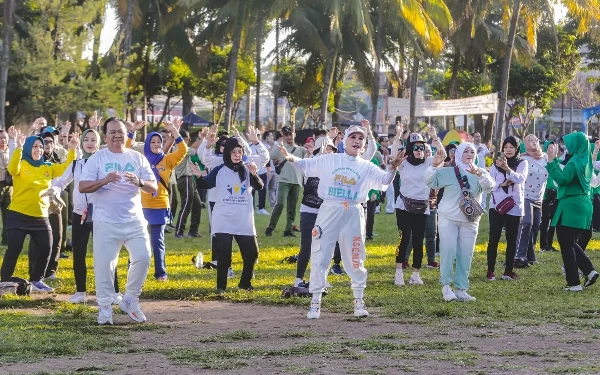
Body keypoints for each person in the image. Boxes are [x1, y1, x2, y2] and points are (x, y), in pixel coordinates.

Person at [281, 125, 402, 319]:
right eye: (352, 137)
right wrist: (290, 157)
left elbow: (385, 180)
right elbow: (305, 165)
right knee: (321, 254)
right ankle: (315, 302)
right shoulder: (330, 159)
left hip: (354, 211)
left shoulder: (367, 166)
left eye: (360, 138)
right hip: (329, 209)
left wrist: (392, 167)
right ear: (344, 141)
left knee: (355, 256)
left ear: (364, 145)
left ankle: (358, 302)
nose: (356, 141)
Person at [80, 118, 157, 325]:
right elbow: (83, 186)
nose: (117, 136)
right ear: (105, 137)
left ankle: (130, 299)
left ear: (127, 134)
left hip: (134, 220)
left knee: (143, 258)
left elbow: (153, 186)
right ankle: (105, 308)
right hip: (105, 221)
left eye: (120, 132)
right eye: (112, 132)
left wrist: (139, 182)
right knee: (105, 266)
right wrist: (104, 180)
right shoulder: (97, 158)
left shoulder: (137, 158)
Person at [0, 129, 76, 292]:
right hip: (18, 215)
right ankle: (5, 280)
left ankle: (37, 279)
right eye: (34, 146)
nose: (38, 149)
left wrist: (72, 150)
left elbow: (66, 169)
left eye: (40, 147)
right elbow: (12, 170)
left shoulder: (47, 167)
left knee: (46, 248)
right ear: (29, 148)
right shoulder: (21, 163)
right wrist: (19, 148)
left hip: (40, 216)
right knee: (14, 248)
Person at [192, 137, 263, 292]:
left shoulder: (247, 169)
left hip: (243, 219)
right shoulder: (220, 170)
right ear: (227, 153)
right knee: (224, 254)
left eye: (239, 151)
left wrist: (254, 174)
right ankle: (221, 287)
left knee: (252, 253)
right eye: (233, 152)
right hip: (223, 218)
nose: (237, 155)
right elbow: (205, 184)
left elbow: (259, 186)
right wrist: (198, 177)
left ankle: (245, 283)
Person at [425, 143, 494, 301]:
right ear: (459, 154)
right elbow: (430, 181)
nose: (469, 154)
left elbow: (490, 187)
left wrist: (479, 174)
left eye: (472, 151)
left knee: (466, 254)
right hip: (448, 217)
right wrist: (434, 166)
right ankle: (446, 287)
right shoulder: (449, 171)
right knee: (448, 250)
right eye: (466, 151)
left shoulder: (480, 171)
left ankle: (462, 289)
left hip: (470, 220)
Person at [546, 133, 599, 291]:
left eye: (569, 144)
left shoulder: (574, 162)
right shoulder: (587, 161)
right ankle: (589, 271)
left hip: (571, 204)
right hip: (583, 204)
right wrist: (555, 160)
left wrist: (550, 161)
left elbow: (562, 179)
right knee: (570, 241)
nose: (566, 147)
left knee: (566, 244)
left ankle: (574, 283)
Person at [394, 126, 445, 287]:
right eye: (415, 147)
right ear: (410, 148)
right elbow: (395, 152)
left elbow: (442, 155)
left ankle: (416, 274)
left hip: (422, 207)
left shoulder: (429, 163)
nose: (419, 150)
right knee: (404, 238)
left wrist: (435, 137)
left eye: (421, 147)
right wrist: (397, 135)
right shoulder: (403, 163)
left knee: (418, 240)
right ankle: (398, 273)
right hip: (403, 206)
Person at [141, 121, 187, 281]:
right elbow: (124, 150)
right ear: (147, 143)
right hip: (140, 207)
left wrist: (174, 131)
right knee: (138, 241)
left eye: (159, 141)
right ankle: (134, 269)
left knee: (157, 241)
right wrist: (132, 132)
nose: (155, 144)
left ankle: (161, 273)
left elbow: (183, 150)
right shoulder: (140, 159)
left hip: (160, 205)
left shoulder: (167, 160)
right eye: (152, 142)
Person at [486, 136, 528, 281]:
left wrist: (507, 169)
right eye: (506, 147)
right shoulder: (494, 165)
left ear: (517, 149)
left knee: (512, 239)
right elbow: (490, 184)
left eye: (512, 147)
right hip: (497, 206)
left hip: (515, 206)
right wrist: (501, 184)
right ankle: (490, 271)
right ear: (502, 149)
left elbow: (520, 179)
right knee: (494, 238)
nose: (508, 150)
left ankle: (508, 271)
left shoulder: (523, 163)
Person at [514, 134, 548, 268]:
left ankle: (530, 255)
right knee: (527, 223)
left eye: (535, 140)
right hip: (524, 195)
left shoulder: (546, 157)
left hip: (539, 197)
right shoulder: (523, 159)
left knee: (535, 226)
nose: (534, 143)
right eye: (530, 141)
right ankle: (519, 255)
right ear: (525, 144)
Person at [265, 126, 305, 237]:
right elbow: (271, 157)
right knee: (280, 204)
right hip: (283, 180)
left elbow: (308, 160)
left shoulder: (301, 150)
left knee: (292, 208)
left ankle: (288, 230)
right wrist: (277, 159)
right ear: (283, 136)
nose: (288, 137)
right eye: (286, 135)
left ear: (294, 134)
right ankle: (270, 227)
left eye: (290, 134)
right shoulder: (280, 148)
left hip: (296, 181)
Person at [173, 130, 202, 238]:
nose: (189, 140)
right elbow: (195, 150)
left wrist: (201, 139)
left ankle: (193, 231)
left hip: (189, 179)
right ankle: (179, 232)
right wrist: (201, 138)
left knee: (197, 205)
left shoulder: (183, 148)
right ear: (182, 138)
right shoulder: (180, 148)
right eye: (188, 138)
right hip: (184, 179)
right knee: (186, 206)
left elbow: (193, 148)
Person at [540, 140, 559, 252]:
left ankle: (549, 243)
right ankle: (543, 244)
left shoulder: (556, 161)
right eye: (549, 148)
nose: (551, 150)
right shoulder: (542, 161)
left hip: (555, 195)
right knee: (545, 220)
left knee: (553, 221)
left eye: (553, 147)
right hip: (545, 195)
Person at [0, 129, 16, 246]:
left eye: (5, 137)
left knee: (8, 214)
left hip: (9, 186)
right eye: (1, 138)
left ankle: (6, 239)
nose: (3, 140)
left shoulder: (11, 151)